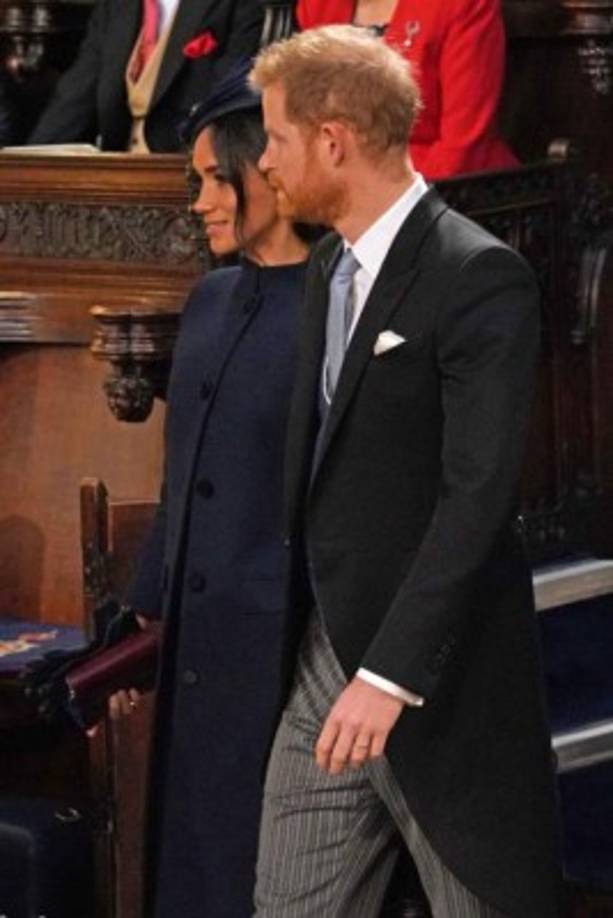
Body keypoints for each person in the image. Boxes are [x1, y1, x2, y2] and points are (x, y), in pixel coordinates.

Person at [249, 26, 563, 917]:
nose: (263, 160)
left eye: (274, 137)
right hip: (322, 656)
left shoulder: (477, 274)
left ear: (332, 139)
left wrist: (389, 677)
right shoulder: (323, 269)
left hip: (439, 678)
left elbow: (477, 497)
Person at [115, 62, 310, 917]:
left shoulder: (340, 306)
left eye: (209, 177)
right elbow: (180, 475)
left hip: (281, 652)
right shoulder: (208, 301)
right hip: (198, 649)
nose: (199, 202)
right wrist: (142, 618)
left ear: (264, 167)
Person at [295, 0, 518, 179]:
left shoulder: (463, 4)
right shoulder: (317, 6)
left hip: (453, 196)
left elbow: (462, 148)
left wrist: (373, 191)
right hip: (342, 191)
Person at [28, 0, 263, 152]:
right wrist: (23, 171)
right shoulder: (116, 8)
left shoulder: (239, 5)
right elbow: (74, 101)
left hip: (189, 177)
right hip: (117, 180)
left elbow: (227, 108)